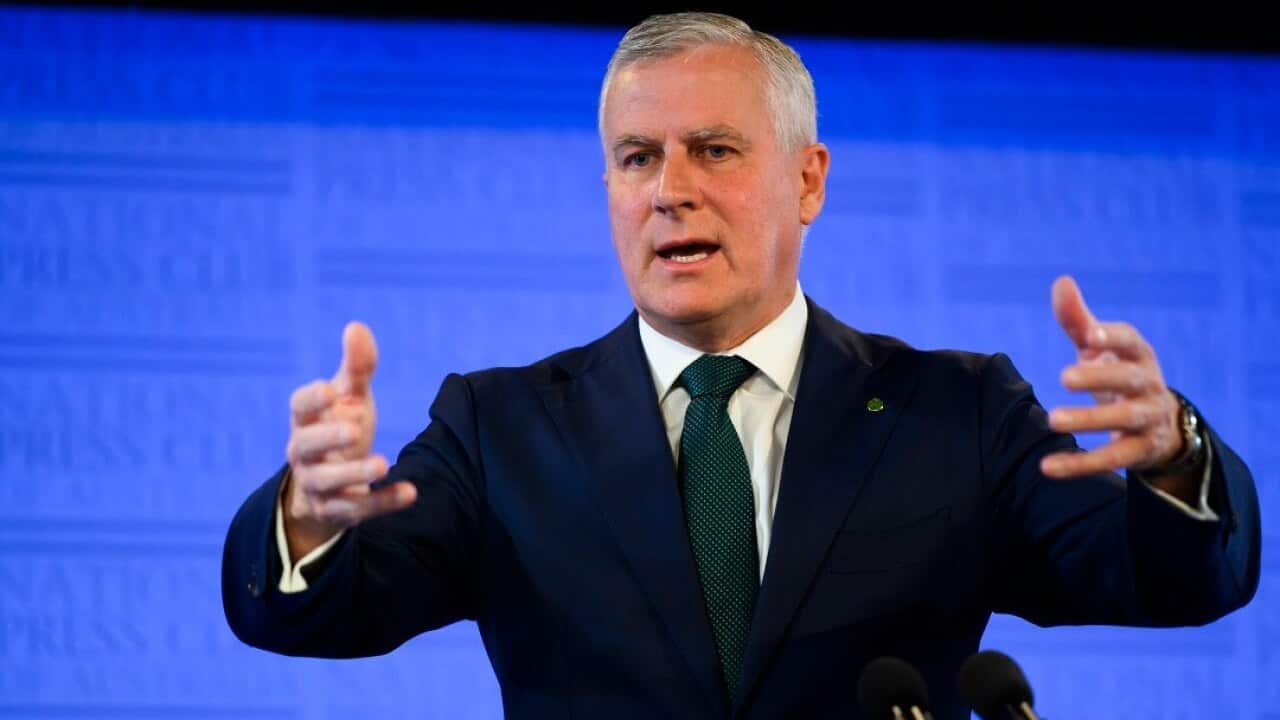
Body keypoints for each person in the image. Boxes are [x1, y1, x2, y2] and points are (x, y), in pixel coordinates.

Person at [221, 12, 1260, 719]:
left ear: (808, 182)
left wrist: (1174, 459)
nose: (669, 189)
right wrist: (307, 519)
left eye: (713, 150)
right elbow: (311, 611)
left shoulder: (957, 412)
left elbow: (1176, 581)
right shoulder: (502, 431)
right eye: (637, 157)